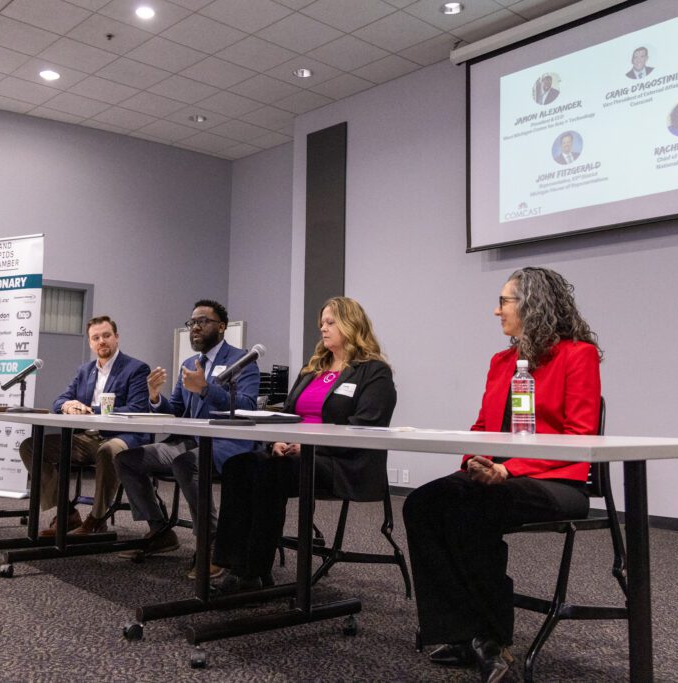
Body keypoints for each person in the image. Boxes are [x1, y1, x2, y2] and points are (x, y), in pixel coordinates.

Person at [404, 267, 602, 683]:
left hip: (557, 482)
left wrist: (509, 469)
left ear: (532, 304)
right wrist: (477, 463)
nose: (496, 311)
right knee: (422, 504)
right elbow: (482, 428)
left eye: (504, 301)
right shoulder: (501, 362)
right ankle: (457, 632)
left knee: (471, 508)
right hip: (498, 475)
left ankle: (491, 639)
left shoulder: (576, 354)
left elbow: (579, 438)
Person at [211, 296, 396, 593]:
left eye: (331, 322)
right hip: (296, 455)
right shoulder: (313, 369)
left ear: (352, 324)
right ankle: (233, 562)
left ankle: (253, 572)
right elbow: (287, 413)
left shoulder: (373, 372)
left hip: (339, 462)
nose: (323, 328)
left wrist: (310, 447)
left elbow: (366, 426)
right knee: (239, 465)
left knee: (266, 475)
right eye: (321, 323)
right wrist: (280, 440)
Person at [114, 300, 259, 575]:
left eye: (203, 321)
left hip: (226, 444)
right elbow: (177, 411)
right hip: (188, 440)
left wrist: (206, 390)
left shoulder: (242, 360)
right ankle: (160, 530)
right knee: (127, 459)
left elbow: (248, 406)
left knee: (185, 464)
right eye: (192, 322)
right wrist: (156, 397)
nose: (195, 327)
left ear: (222, 326)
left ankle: (214, 542)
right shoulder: (189, 363)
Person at [19, 315, 150, 537]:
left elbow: (137, 409)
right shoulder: (84, 370)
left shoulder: (136, 369)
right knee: (31, 446)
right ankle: (67, 512)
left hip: (122, 437)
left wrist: (91, 409)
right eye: (96, 337)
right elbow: (59, 401)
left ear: (116, 338)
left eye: (106, 335)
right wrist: (68, 406)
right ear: (90, 342)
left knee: (107, 451)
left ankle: (97, 519)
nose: (102, 341)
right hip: (87, 438)